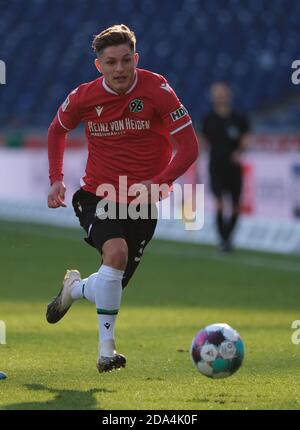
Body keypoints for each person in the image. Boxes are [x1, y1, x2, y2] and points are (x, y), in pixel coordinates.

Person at [46, 24, 199, 373]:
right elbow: (57, 130)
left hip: (143, 202)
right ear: (98, 65)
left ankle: (74, 288)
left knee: (109, 284)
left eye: (126, 60)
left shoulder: (158, 90)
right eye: (111, 62)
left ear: (136, 59)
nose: (120, 69)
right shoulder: (83, 97)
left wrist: (158, 182)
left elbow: (189, 147)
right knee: (115, 254)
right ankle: (107, 352)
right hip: (96, 194)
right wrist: (56, 179)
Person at [202, 82, 250, 252]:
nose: (220, 97)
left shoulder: (239, 118)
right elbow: (202, 141)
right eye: (217, 94)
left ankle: (227, 238)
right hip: (216, 166)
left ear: (229, 96)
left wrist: (239, 151)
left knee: (236, 205)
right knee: (220, 203)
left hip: (233, 167)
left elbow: (245, 138)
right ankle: (224, 240)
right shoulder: (208, 118)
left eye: (222, 94)